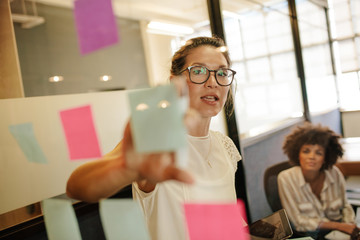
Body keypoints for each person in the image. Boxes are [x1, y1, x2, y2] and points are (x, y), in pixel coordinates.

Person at [66, 36, 243, 240]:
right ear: (174, 82)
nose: (212, 83)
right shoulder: (157, 143)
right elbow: (77, 186)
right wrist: (126, 168)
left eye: (221, 73)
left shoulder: (225, 145)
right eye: (199, 71)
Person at [278, 123, 359, 240]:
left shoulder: (334, 173)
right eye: (306, 151)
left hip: (339, 232)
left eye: (318, 152)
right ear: (297, 154)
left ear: (325, 157)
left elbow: (345, 206)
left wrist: (350, 227)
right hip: (310, 234)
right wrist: (340, 226)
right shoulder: (285, 178)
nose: (312, 156)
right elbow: (297, 221)